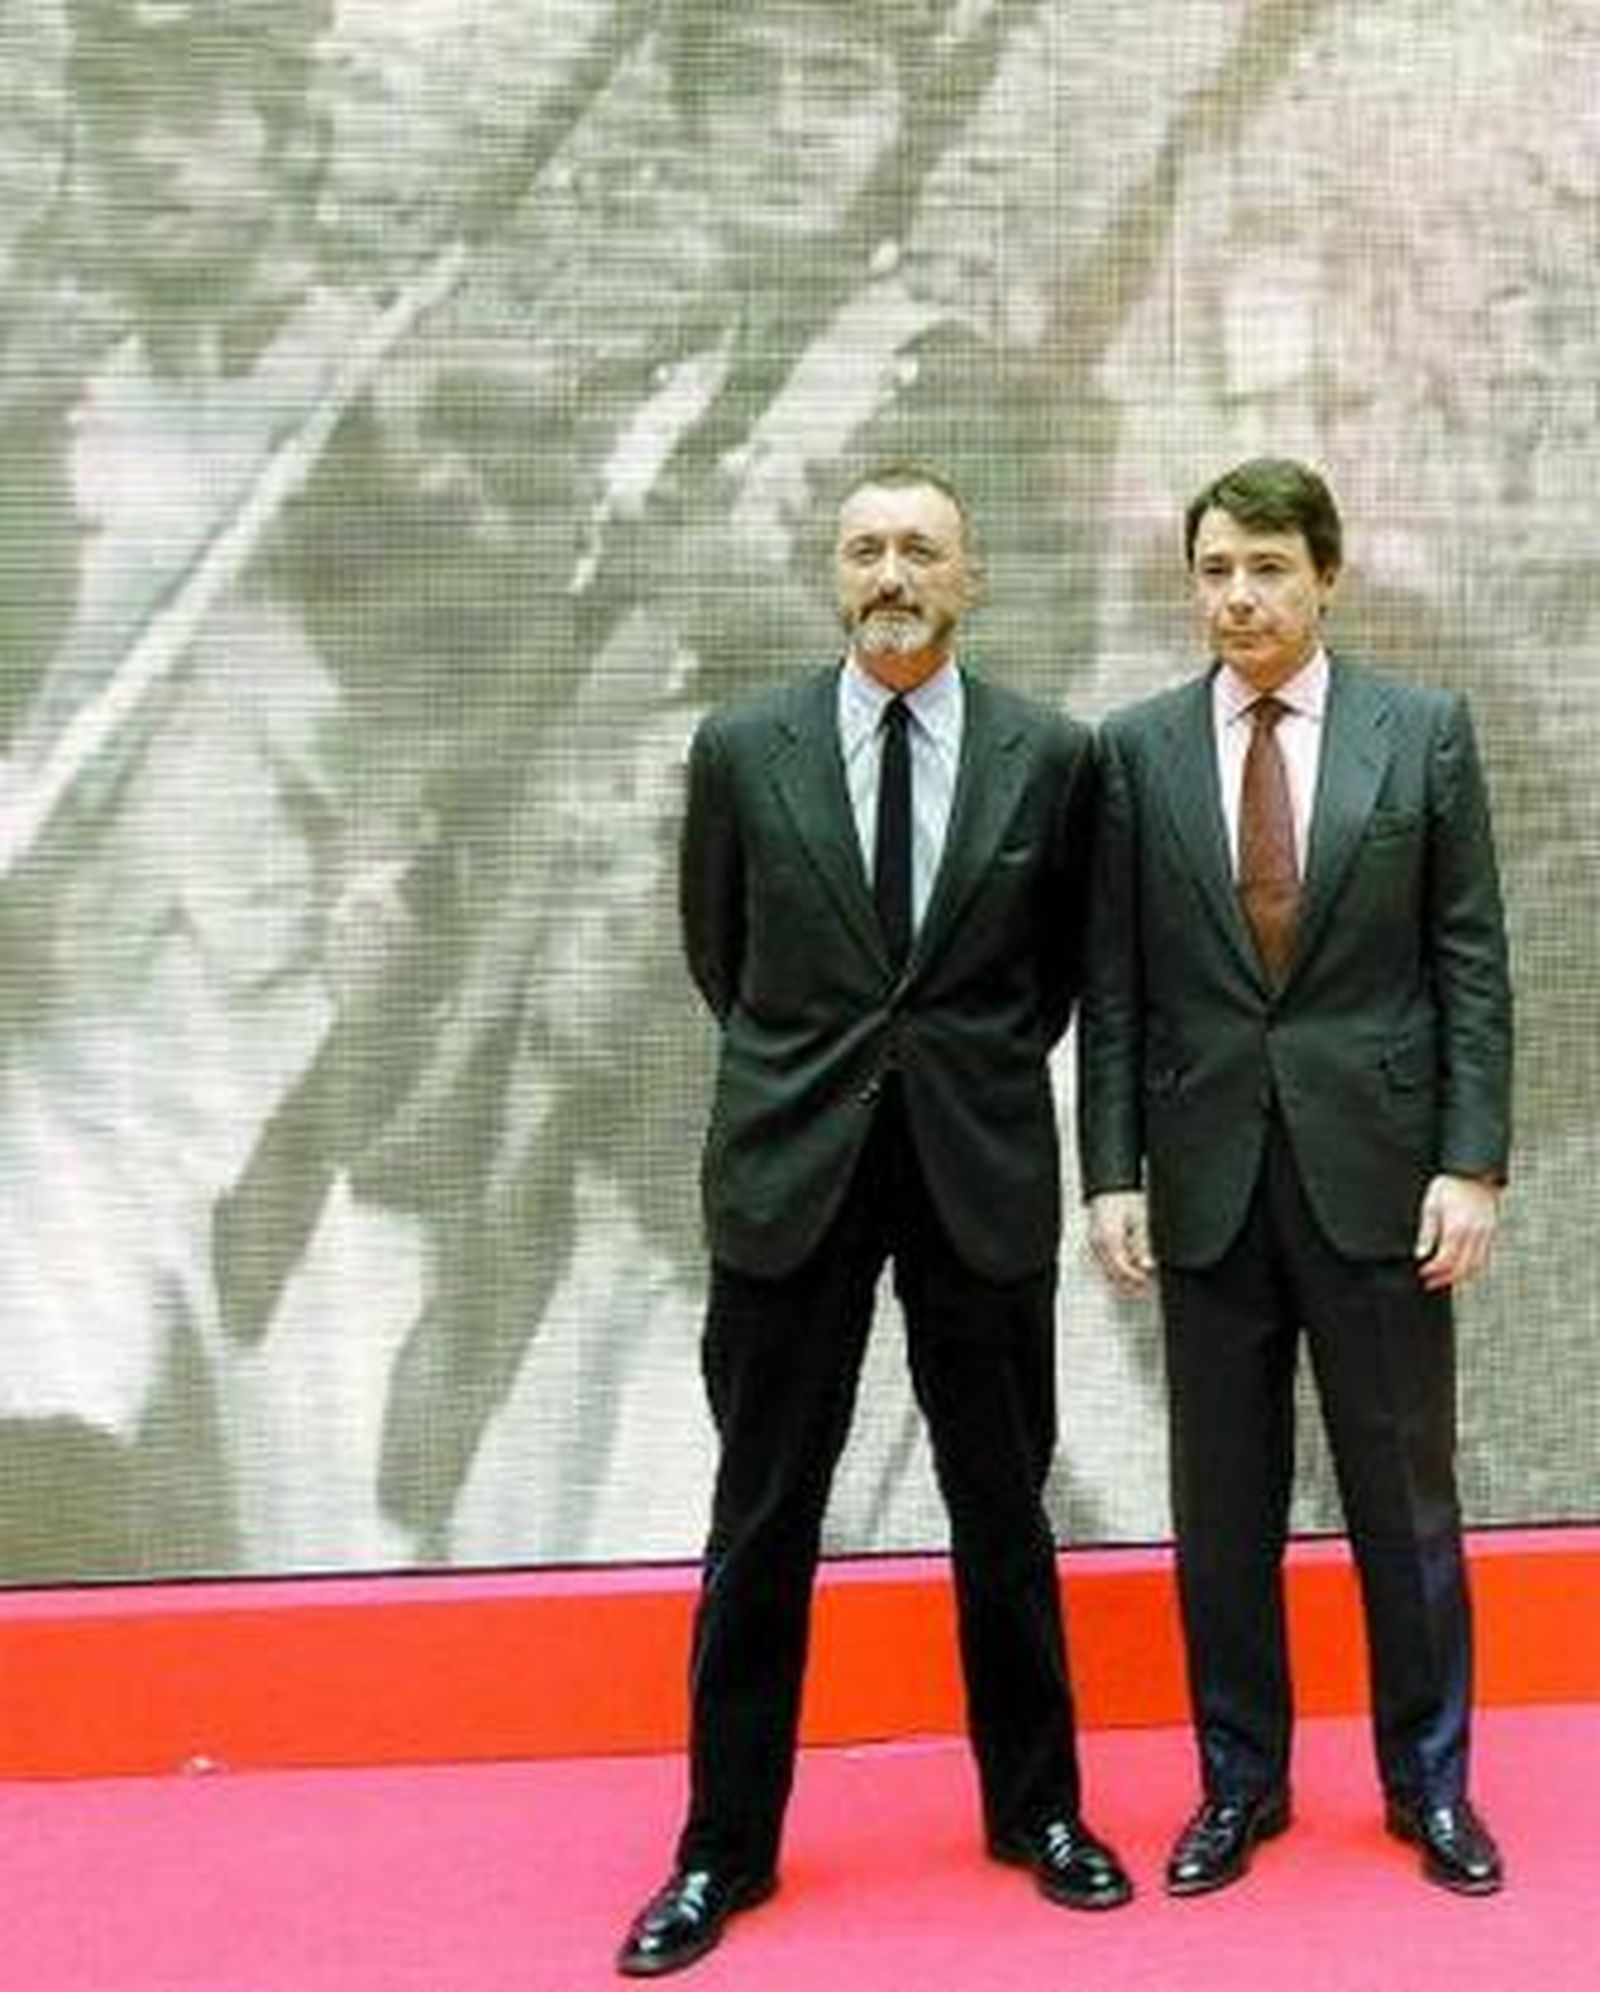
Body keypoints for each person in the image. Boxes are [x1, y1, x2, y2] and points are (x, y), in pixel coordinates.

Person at [615, 465, 1126, 1978]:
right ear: (832, 576)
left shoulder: (1053, 756)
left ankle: (1039, 1813)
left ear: (970, 579)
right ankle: (721, 1849)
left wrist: (946, 1073)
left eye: (920, 549)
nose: (891, 573)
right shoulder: (741, 747)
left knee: (1002, 1510)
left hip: (977, 1172)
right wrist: (831, 1072)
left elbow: (1056, 979)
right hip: (794, 1178)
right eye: (864, 550)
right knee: (761, 1518)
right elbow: (724, 959)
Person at [1077, 457, 1513, 1897]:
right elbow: (1114, 987)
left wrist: (1470, 1162)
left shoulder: (1421, 731)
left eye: (1267, 568)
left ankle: (1431, 1784)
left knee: (1405, 1500)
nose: (1240, 597)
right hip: (1204, 1183)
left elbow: (1470, 963)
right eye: (1215, 571)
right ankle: (1238, 1785)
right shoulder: (1135, 752)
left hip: (1381, 1181)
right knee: (1223, 1510)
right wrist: (1110, 1173)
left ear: (1326, 576)